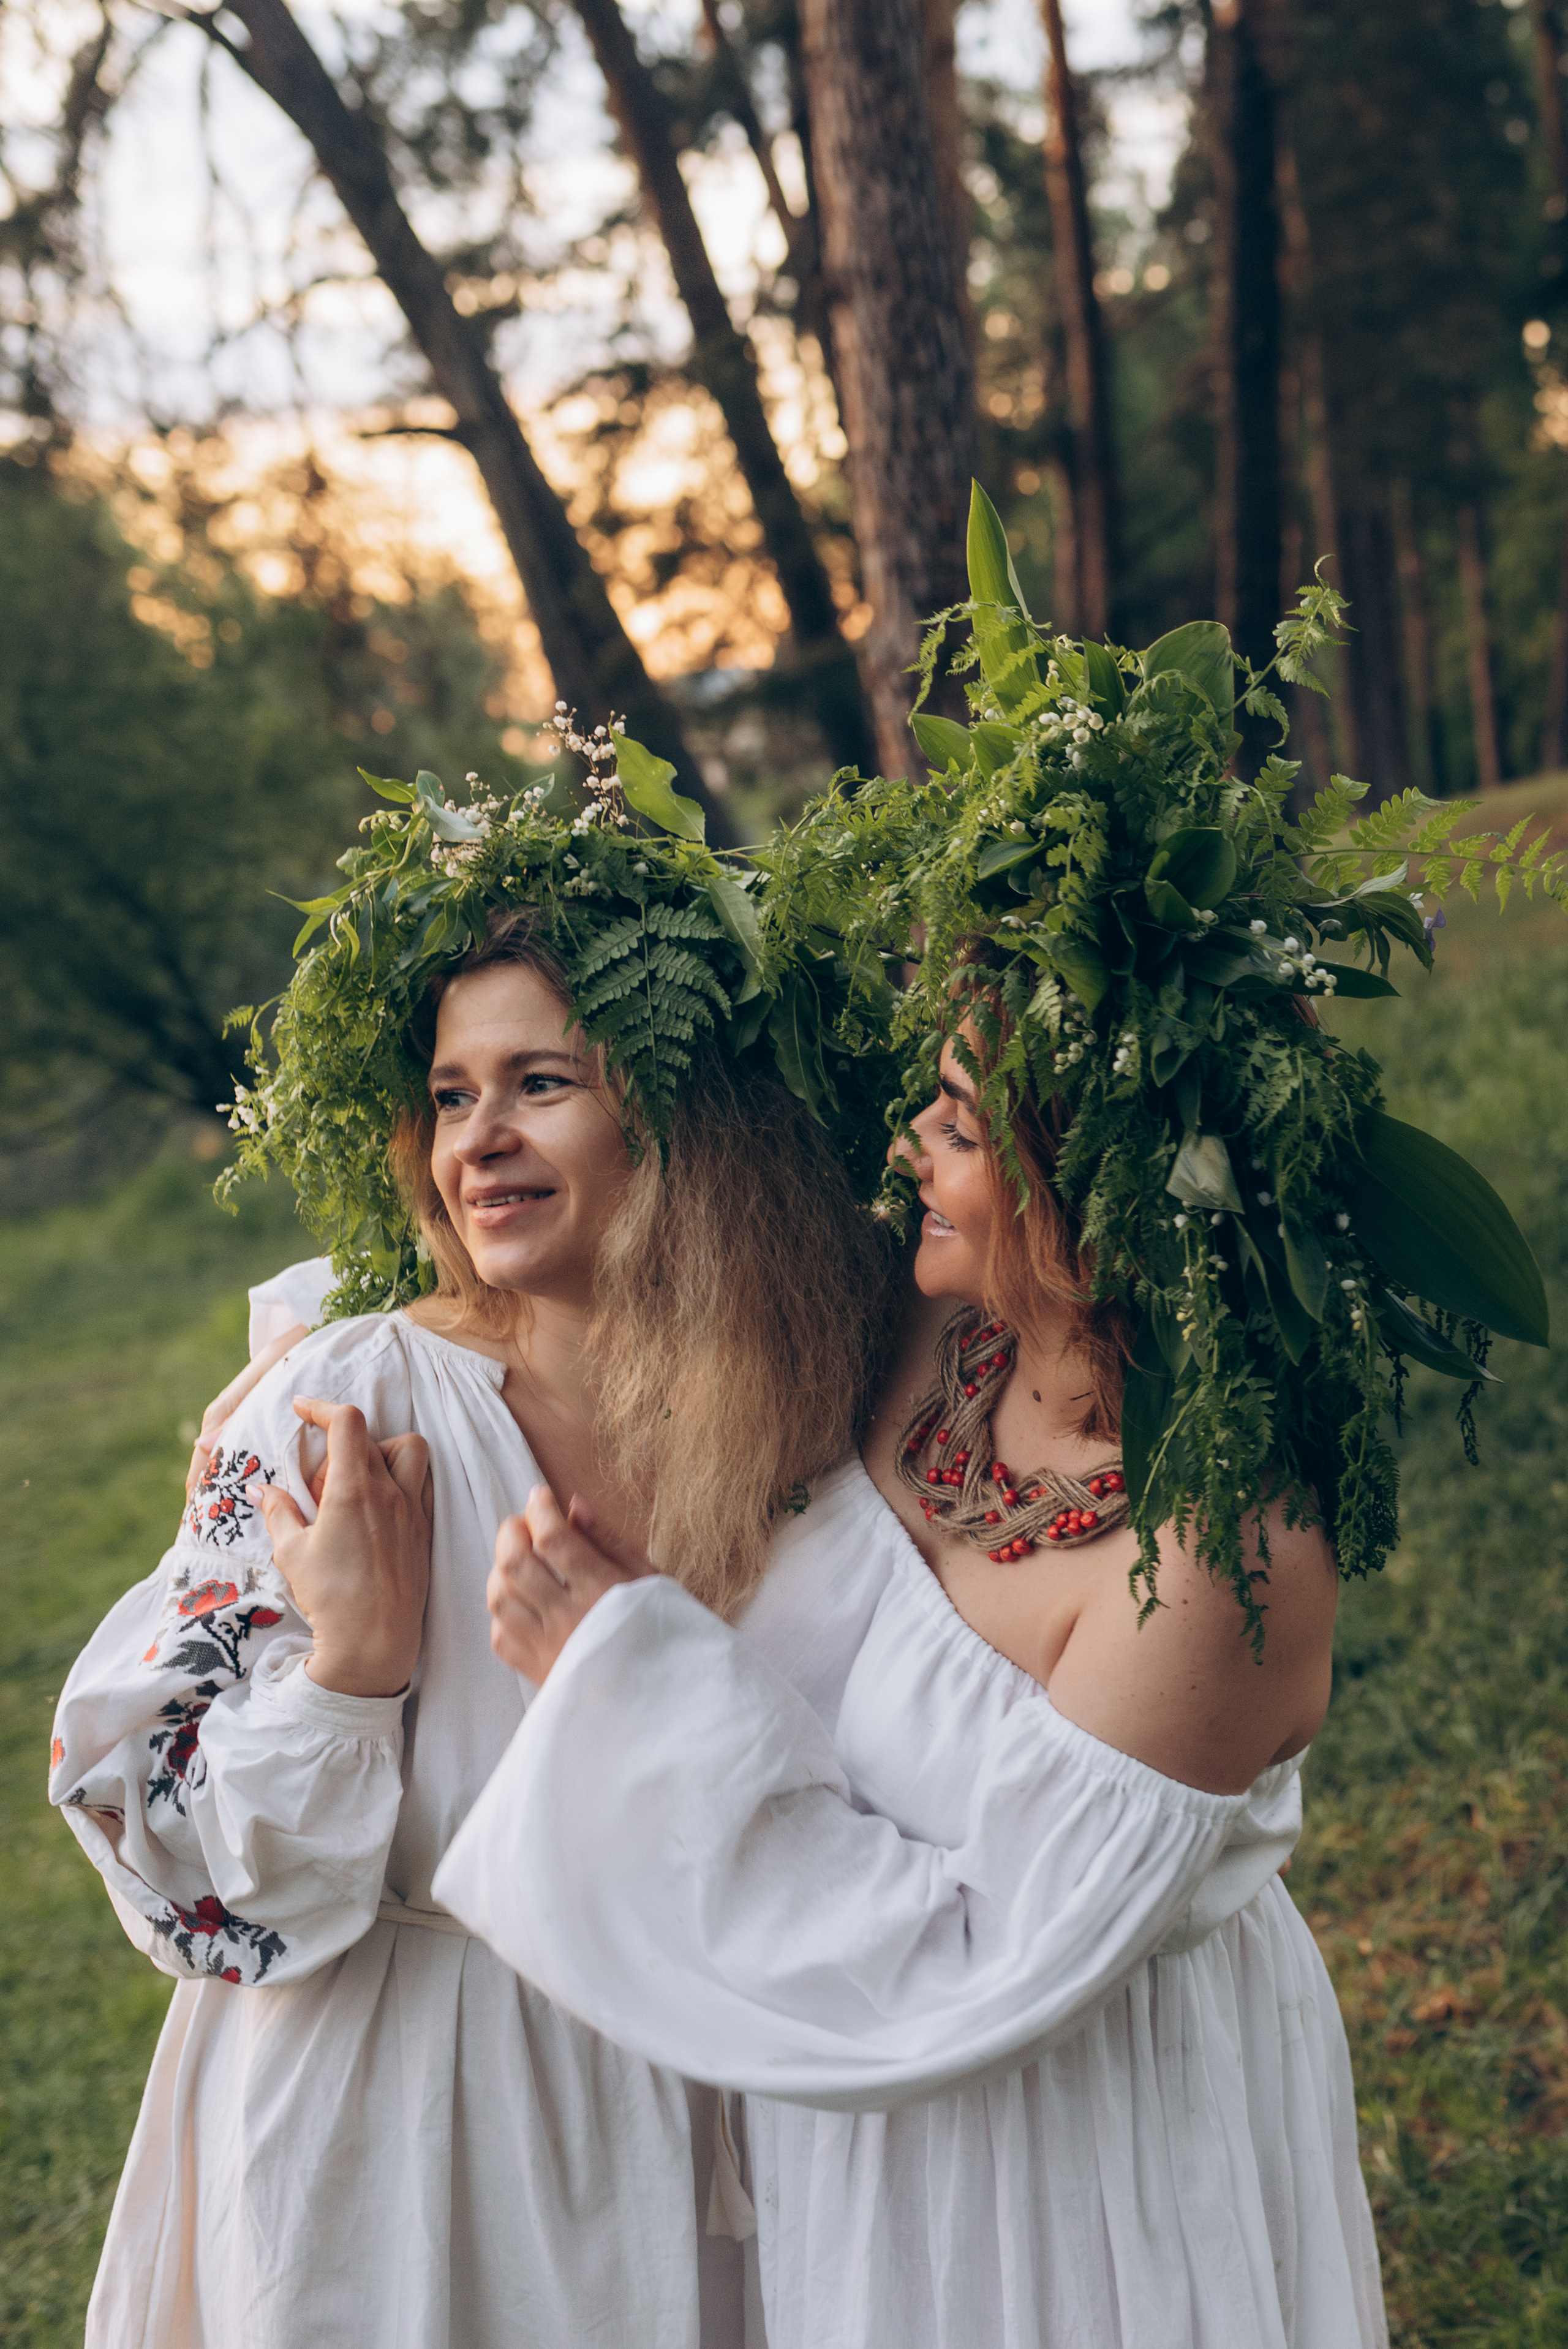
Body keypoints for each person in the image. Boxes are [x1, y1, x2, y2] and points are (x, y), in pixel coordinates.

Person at [50, 832, 893, 2347]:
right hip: (391, 2122)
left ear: (684, 1117)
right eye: (453, 1095)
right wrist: (349, 1675)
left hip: (685, 2088)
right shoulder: (348, 1406)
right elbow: (138, 1810)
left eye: (541, 1084)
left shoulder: (797, 1419)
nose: (480, 1139)